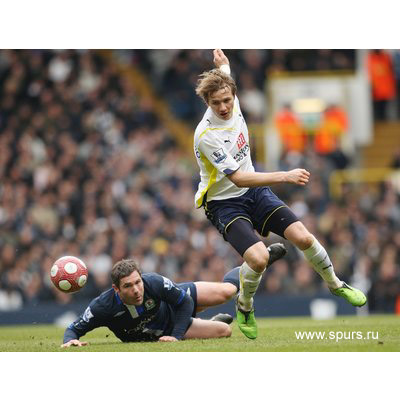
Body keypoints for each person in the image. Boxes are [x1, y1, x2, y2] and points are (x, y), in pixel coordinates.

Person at [193, 49, 367, 340]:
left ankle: (336, 284)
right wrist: (284, 175)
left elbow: (225, 68)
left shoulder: (227, 90)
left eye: (227, 100)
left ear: (234, 95)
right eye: (216, 103)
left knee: (304, 237)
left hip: (255, 194)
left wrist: (221, 61)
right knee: (259, 259)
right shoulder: (207, 135)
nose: (223, 107)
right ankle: (245, 306)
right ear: (207, 103)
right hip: (224, 203)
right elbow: (238, 178)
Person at [61, 258, 243, 347]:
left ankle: (253, 263)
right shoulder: (102, 307)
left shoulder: (154, 283)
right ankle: (211, 322)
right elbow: (74, 329)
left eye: (138, 282)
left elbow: (185, 302)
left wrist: (176, 337)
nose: (136, 289)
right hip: (163, 329)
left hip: (172, 307)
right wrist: (70, 341)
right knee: (224, 331)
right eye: (128, 286)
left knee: (226, 292)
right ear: (116, 289)